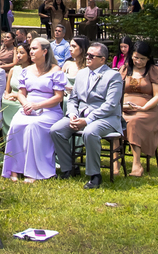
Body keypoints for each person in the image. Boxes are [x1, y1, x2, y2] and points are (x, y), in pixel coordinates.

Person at [52, 42, 125, 189]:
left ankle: (94, 175)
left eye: (92, 56)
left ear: (102, 59)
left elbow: (110, 105)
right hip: (80, 115)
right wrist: (72, 114)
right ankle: (68, 168)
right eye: (87, 55)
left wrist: (87, 120)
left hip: (106, 118)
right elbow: (73, 99)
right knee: (56, 130)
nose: (87, 57)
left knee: (90, 132)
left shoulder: (113, 76)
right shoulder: (82, 74)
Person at [2, 38, 67, 183]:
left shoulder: (56, 70)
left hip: (49, 110)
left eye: (34, 49)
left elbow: (58, 97)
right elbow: (21, 93)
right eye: (30, 49)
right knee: (16, 125)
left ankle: (34, 171)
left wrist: (38, 106)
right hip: (28, 107)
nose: (31, 51)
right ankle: (14, 170)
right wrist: (25, 104)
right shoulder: (26, 71)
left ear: (44, 51)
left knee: (33, 127)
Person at [120, 40, 158, 177]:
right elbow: (116, 91)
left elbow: (157, 96)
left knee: (134, 121)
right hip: (125, 107)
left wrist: (144, 108)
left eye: (142, 59)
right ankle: (115, 162)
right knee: (116, 119)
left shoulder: (153, 71)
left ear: (148, 58)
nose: (138, 61)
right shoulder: (125, 69)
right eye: (136, 57)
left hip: (146, 110)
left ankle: (136, 164)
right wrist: (121, 105)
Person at [0, 43, 30, 135]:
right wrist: (8, 96)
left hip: (25, 102)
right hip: (10, 101)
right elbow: (7, 91)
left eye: (21, 53)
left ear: (29, 55)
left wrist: (15, 95)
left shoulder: (33, 70)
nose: (18, 55)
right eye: (17, 53)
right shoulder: (14, 69)